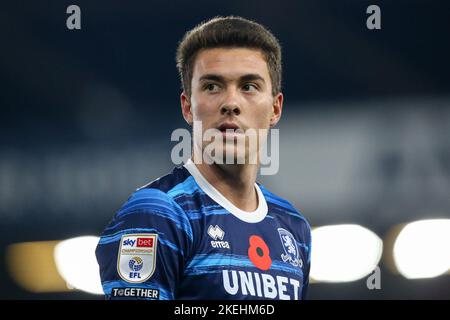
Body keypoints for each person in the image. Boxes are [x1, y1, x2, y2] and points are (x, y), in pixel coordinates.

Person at [95, 16, 311, 300]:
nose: (230, 103)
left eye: (248, 86)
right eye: (212, 86)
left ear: (275, 108)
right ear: (187, 107)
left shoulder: (293, 227)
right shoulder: (156, 213)